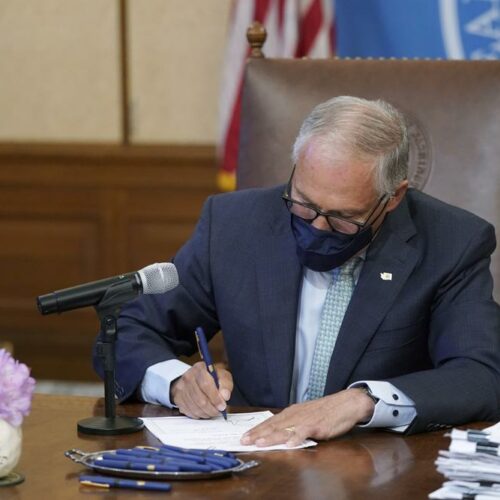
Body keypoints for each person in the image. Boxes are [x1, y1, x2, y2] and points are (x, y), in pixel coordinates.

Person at [94, 96, 500, 447]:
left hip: (375, 468)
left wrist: (363, 402)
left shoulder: (451, 242)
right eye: (304, 205)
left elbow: (480, 374)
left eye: (343, 218)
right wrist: (177, 383)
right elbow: (129, 330)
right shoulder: (235, 225)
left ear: (392, 198)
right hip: (253, 462)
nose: (317, 227)